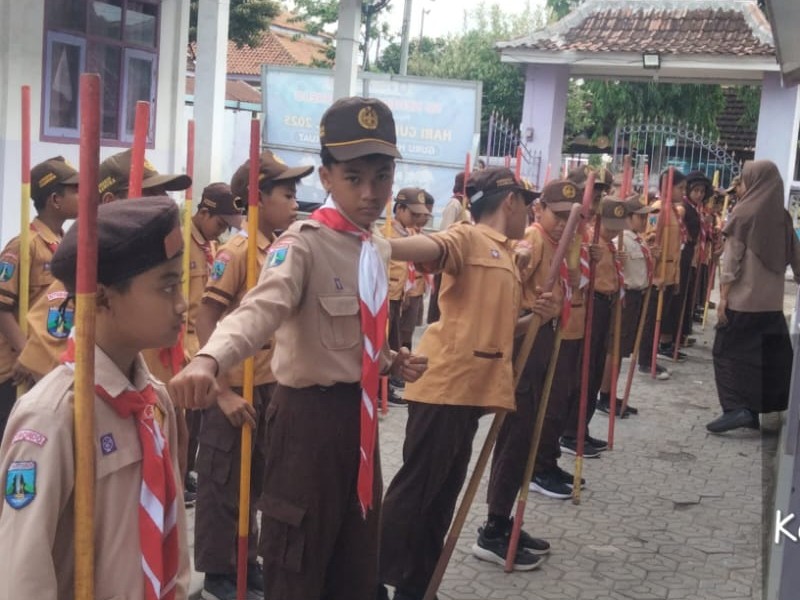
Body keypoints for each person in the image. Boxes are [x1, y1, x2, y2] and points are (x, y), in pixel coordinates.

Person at [167, 96, 427, 600]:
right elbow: (258, 309)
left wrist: (391, 362)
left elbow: (356, 335)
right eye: (354, 178)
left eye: (382, 177)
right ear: (327, 178)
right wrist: (209, 359)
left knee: (357, 556)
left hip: (360, 420)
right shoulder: (302, 243)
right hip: (307, 423)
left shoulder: (374, 247)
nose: (370, 193)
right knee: (298, 559)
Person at [0, 197, 190, 598]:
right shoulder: (53, 417)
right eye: (167, 287)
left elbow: (170, 535)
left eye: (181, 285)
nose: (182, 304)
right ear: (101, 298)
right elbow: (22, 573)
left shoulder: (155, 403)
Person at [379, 167, 549, 599]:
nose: (530, 213)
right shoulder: (468, 237)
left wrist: (536, 319)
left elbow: (499, 329)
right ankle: (369, 579)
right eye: (526, 204)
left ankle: (418, 587)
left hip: (470, 394)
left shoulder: (506, 254)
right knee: (416, 494)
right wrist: (381, 246)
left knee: (440, 500)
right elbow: (432, 246)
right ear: (509, 200)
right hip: (445, 388)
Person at [193, 151, 312, 600]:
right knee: (223, 480)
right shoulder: (237, 252)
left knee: (256, 481)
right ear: (257, 199)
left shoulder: (280, 250)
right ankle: (218, 574)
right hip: (234, 385)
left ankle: (245, 559)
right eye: (287, 195)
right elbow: (207, 319)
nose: (295, 204)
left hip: (267, 384)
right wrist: (221, 391)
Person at [17, 149, 191, 383]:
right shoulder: (85, 284)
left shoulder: (152, 272)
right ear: (110, 202)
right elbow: (52, 368)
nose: (162, 204)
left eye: (163, 195)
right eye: (150, 195)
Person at [478, 180, 575, 537]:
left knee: (528, 431)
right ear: (540, 209)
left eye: (569, 218)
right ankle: (495, 523)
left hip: (544, 339)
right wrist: (529, 307)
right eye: (557, 215)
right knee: (515, 433)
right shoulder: (533, 240)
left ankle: (505, 519)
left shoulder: (556, 243)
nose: (563, 224)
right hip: (526, 343)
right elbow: (510, 281)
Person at [707, 160, 800, 433]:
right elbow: (796, 255)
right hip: (771, 304)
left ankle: (737, 408)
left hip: (742, 302)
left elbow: (732, 262)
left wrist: (723, 298)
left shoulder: (743, 213)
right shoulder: (783, 218)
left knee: (725, 353)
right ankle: (757, 409)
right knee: (764, 357)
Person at [0, 157, 79, 437]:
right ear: (55, 200)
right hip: (18, 370)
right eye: (75, 190)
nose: (83, 196)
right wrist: (26, 353)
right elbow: (2, 307)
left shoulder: (66, 245)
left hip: (49, 365)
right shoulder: (24, 245)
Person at [180, 182, 245, 503]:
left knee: (194, 420)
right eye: (219, 223)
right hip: (182, 345)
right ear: (204, 212)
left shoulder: (210, 246)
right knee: (181, 421)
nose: (221, 231)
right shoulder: (181, 244)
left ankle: (185, 471)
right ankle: (177, 477)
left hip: (202, 347)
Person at [560, 197, 628, 457]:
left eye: (618, 227)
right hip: (592, 305)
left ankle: (582, 429)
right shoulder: (588, 239)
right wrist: (590, 255)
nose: (615, 232)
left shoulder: (609, 244)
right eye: (610, 226)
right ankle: (570, 433)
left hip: (606, 305)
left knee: (595, 370)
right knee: (585, 372)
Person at [597, 194, 656, 416]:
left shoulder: (638, 240)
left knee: (621, 350)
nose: (645, 221)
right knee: (614, 349)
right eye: (641, 217)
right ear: (629, 218)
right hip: (624, 297)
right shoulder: (619, 241)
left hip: (636, 296)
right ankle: (605, 394)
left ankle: (612, 392)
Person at [637, 170, 686, 379]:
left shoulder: (673, 211)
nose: (683, 192)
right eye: (680, 188)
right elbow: (649, 238)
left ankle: (651, 357)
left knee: (660, 318)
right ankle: (645, 361)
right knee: (651, 321)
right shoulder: (658, 209)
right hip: (658, 275)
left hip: (669, 273)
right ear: (668, 187)